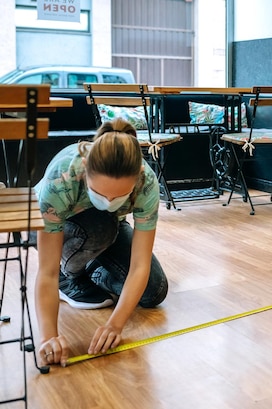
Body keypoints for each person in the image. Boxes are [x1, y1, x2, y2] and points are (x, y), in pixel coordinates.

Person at [34, 118, 168, 366]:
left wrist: (115, 325)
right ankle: (70, 277)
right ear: (85, 168)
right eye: (100, 192)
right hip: (55, 226)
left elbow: (140, 265)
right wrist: (48, 336)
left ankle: (92, 267)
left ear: (138, 175)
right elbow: (46, 272)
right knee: (100, 225)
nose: (109, 201)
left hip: (110, 228)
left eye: (119, 196)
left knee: (154, 291)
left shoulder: (146, 182)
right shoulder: (60, 179)